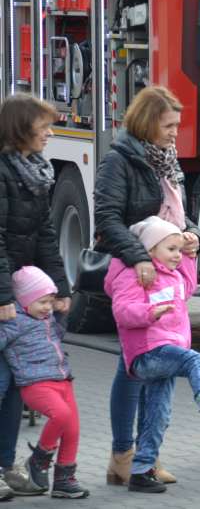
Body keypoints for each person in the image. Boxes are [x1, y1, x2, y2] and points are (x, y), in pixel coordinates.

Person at [93, 86, 200, 486]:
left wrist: (193, 237)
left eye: (177, 125)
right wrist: (139, 257)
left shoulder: (167, 161)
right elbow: (107, 218)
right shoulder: (119, 160)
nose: (175, 133)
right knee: (132, 366)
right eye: (168, 125)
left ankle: (142, 458)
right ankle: (126, 455)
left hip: (164, 270)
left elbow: (178, 217)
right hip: (135, 272)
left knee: (145, 367)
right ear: (147, 122)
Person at [105, 217, 200, 492]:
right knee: (195, 359)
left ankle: (142, 471)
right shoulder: (135, 274)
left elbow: (188, 286)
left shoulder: (174, 274)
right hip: (147, 353)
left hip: (167, 352)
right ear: (150, 249)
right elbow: (121, 311)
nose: (177, 255)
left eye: (179, 250)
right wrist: (149, 313)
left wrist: (190, 255)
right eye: (171, 249)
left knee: (159, 414)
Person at [0, 93, 70, 498]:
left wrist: (59, 288)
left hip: (19, 291)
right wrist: (2, 296)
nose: (50, 134)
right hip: (5, 295)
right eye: (44, 126)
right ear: (21, 128)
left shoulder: (37, 173)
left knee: (14, 383)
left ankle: (6, 465)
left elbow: (45, 234)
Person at [0, 267, 87, 498]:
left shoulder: (48, 318)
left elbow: (59, 334)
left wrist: (60, 312)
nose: (48, 307)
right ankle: (39, 459)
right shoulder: (13, 321)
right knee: (61, 415)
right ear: (24, 299)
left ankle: (64, 480)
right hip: (35, 382)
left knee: (72, 430)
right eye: (42, 302)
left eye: (50, 301)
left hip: (63, 380)